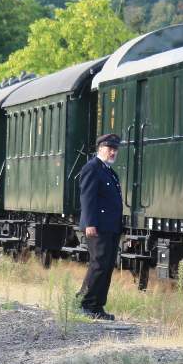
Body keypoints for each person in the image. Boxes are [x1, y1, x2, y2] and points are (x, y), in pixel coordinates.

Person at [77, 133, 124, 320]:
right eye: (109, 149)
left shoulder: (109, 171)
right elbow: (87, 197)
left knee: (106, 266)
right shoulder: (92, 168)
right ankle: (85, 303)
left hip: (110, 226)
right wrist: (90, 223)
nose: (112, 152)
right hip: (97, 226)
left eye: (115, 150)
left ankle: (97, 305)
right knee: (98, 264)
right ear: (100, 149)